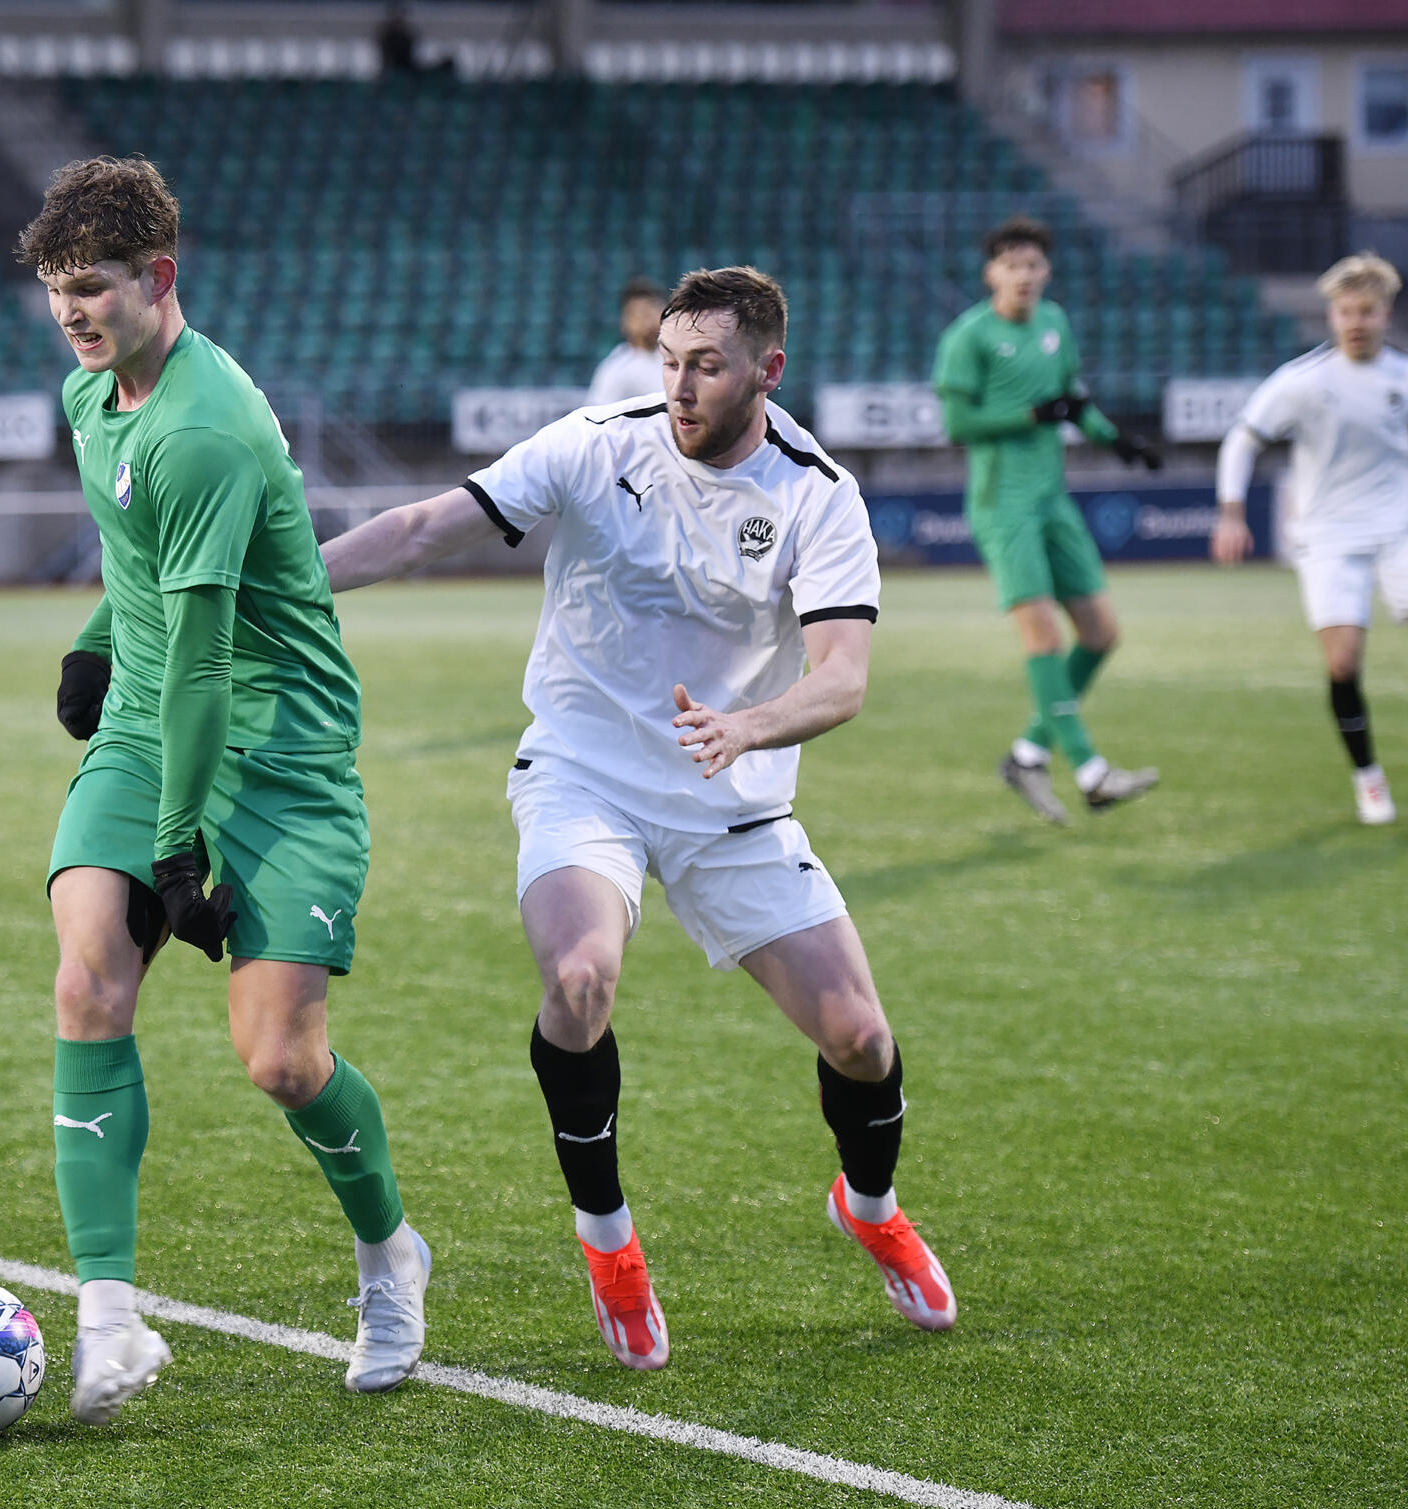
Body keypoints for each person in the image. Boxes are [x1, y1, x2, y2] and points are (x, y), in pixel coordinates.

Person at [321, 266, 956, 1369]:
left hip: (731, 797)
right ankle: (608, 1242)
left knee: (859, 1036)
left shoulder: (815, 490)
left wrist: (750, 728)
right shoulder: (594, 440)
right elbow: (427, 526)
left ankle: (869, 1202)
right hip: (584, 773)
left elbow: (842, 674)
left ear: (767, 368)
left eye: (704, 365)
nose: (678, 384)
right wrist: (282, 584)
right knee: (578, 979)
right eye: (668, 360)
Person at [29, 156, 431, 1423]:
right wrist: (98, 636)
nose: (71, 314)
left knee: (280, 1060)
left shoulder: (204, 424)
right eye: (52, 291)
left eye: (91, 289)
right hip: (154, 719)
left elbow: (209, 654)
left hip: (280, 752)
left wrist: (180, 849)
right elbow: (138, 560)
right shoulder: (94, 395)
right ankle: (109, 1318)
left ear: (160, 276)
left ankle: (388, 1254)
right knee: (90, 974)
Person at [1212, 254, 1408, 824]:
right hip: (1328, 536)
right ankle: (1369, 780)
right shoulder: (1301, 382)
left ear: (1387, 314)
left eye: (1367, 310)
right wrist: (1231, 513)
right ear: (1331, 316)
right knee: (1343, 661)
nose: (1354, 321)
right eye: (1344, 310)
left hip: (1401, 528)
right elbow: (1242, 439)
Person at [934, 215, 1162, 824]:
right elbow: (959, 425)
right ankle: (1091, 771)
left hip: (1052, 499)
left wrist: (1118, 441)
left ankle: (1028, 754)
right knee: (1046, 638)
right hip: (1002, 504)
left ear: (1046, 271)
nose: (1025, 275)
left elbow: (1073, 400)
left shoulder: (1055, 323)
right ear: (992, 273)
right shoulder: (968, 337)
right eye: (1012, 265)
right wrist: (1033, 415)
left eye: (1033, 264)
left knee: (1102, 634)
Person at [586, 274, 666, 408]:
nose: (650, 320)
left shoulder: (677, 356)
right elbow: (599, 418)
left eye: (655, 311)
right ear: (625, 322)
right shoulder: (617, 369)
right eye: (642, 314)